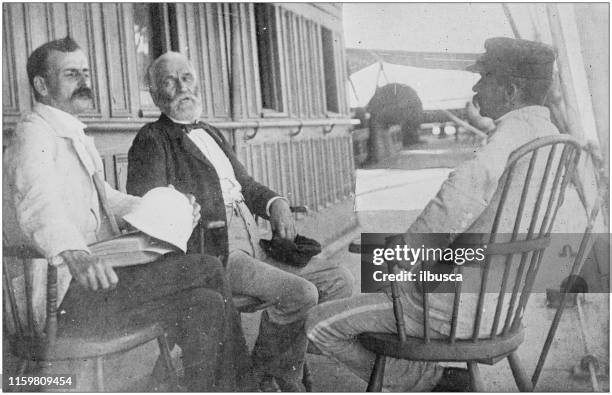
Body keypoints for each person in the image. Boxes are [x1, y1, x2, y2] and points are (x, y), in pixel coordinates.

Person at [305, 37, 559, 391]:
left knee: (317, 324)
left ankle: (430, 380)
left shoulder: (509, 137)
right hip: (504, 306)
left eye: (484, 76)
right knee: (380, 286)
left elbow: (459, 194)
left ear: (511, 90)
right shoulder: (552, 138)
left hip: (455, 312)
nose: (475, 85)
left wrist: (405, 249)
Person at [3, 37, 252, 391]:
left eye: (85, 73)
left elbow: (108, 199)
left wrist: (172, 206)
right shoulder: (33, 135)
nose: (84, 82)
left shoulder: (70, 132)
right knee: (207, 267)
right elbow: (38, 204)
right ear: (41, 85)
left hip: (100, 283)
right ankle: (243, 387)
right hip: (68, 293)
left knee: (207, 303)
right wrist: (74, 253)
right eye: (71, 74)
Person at [126, 51, 354, 391]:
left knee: (338, 279)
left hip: (254, 237)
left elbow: (246, 186)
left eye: (186, 78)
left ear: (198, 83)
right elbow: (149, 207)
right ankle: (266, 377)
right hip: (216, 251)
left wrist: (277, 203)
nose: (182, 88)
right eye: (170, 82)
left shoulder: (211, 131)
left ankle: (274, 364)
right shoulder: (152, 139)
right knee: (301, 294)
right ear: (157, 95)